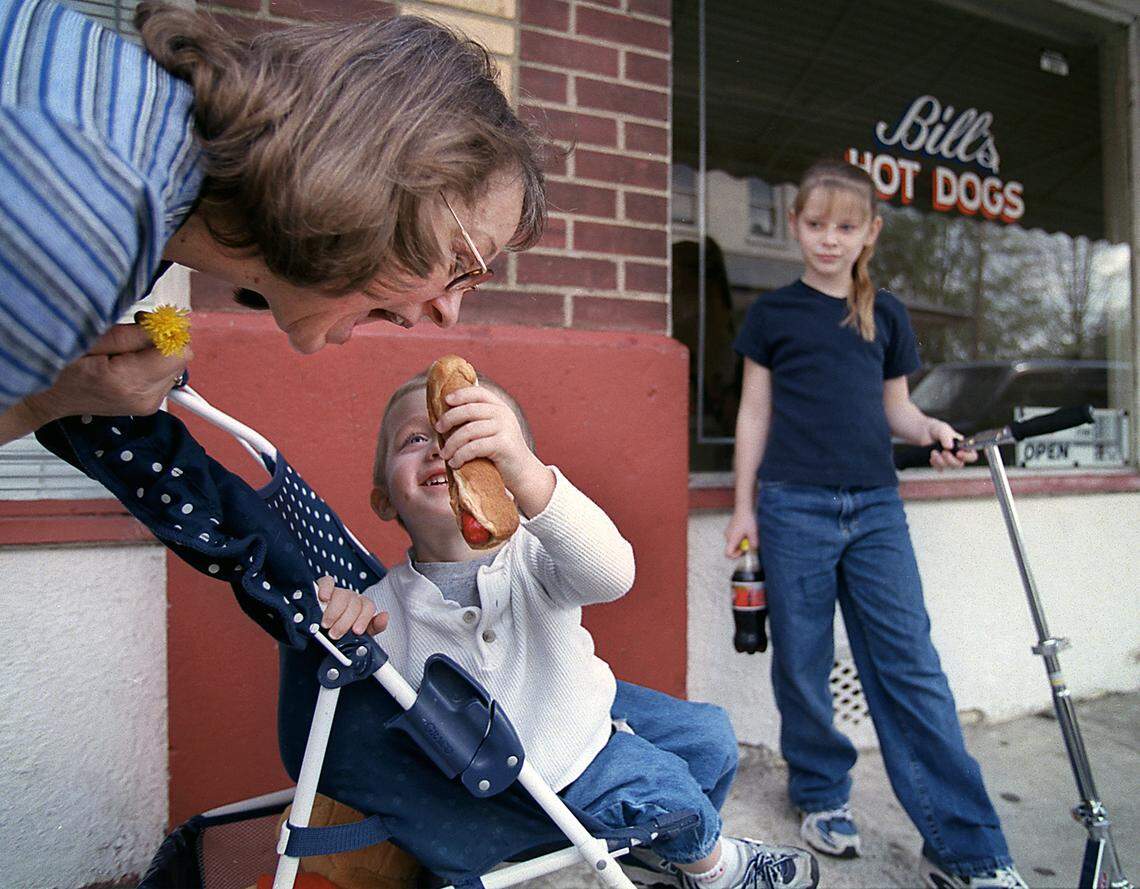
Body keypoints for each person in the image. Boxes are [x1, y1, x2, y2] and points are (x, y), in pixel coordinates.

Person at [316, 368, 820, 889]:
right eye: (416, 438)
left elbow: (613, 574)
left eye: (474, 435)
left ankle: (654, 853)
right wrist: (342, 615)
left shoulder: (535, 555)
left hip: (582, 709)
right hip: (539, 777)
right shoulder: (384, 607)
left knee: (709, 737)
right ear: (383, 500)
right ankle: (716, 870)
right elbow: (356, 699)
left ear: (512, 480)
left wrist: (529, 473)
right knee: (670, 796)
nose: (443, 449)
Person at [0, 0, 547, 445]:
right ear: (367, 170)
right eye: (460, 260)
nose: (448, 314)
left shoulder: (140, 170)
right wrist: (42, 401)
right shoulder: (78, 214)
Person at [722, 159, 1027, 889]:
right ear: (795, 225)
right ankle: (823, 796)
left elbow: (898, 409)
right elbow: (753, 412)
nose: (830, 239)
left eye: (846, 226)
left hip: (876, 509)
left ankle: (966, 849)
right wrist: (743, 509)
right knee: (802, 660)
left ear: (871, 234)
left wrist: (932, 430)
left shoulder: (884, 313)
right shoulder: (771, 314)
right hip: (792, 506)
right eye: (816, 224)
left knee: (910, 667)